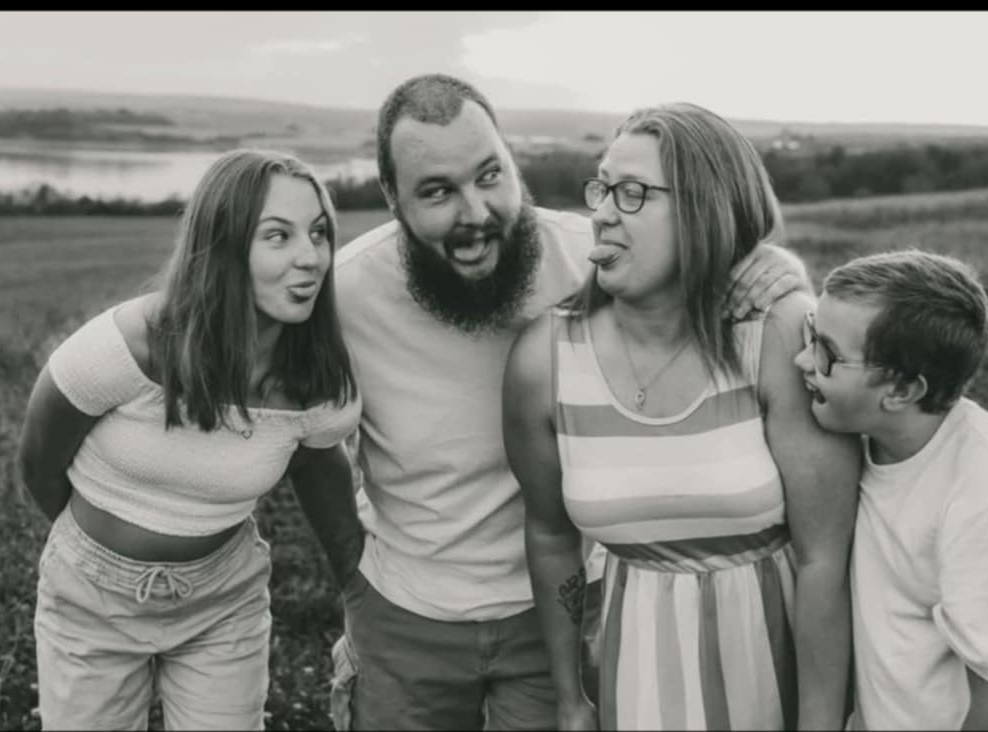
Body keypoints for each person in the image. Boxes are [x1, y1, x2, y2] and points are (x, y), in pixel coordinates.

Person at [329, 74, 814, 731]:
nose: (475, 213)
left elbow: (697, 251)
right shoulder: (345, 294)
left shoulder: (591, 255)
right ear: (392, 197)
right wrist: (349, 573)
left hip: (563, 612)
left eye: (490, 175)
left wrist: (776, 266)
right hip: (406, 615)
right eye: (437, 191)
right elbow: (303, 438)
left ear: (513, 163)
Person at [502, 102, 862, 730]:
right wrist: (570, 699)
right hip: (635, 686)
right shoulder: (546, 360)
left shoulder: (776, 338)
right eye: (602, 189)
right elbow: (551, 537)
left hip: (773, 681)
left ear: (706, 209)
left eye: (633, 192)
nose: (602, 212)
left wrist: (820, 723)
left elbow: (824, 561)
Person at [16, 149, 363, 730]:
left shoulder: (317, 380)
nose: (311, 257)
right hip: (90, 596)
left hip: (223, 599)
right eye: (277, 236)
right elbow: (38, 462)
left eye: (319, 233)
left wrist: (360, 590)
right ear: (223, 245)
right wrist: (105, 554)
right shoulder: (128, 347)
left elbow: (318, 463)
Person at [793, 250, 988, 730]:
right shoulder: (860, 439)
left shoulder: (985, 492)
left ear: (902, 391)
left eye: (826, 352)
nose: (801, 359)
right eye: (810, 332)